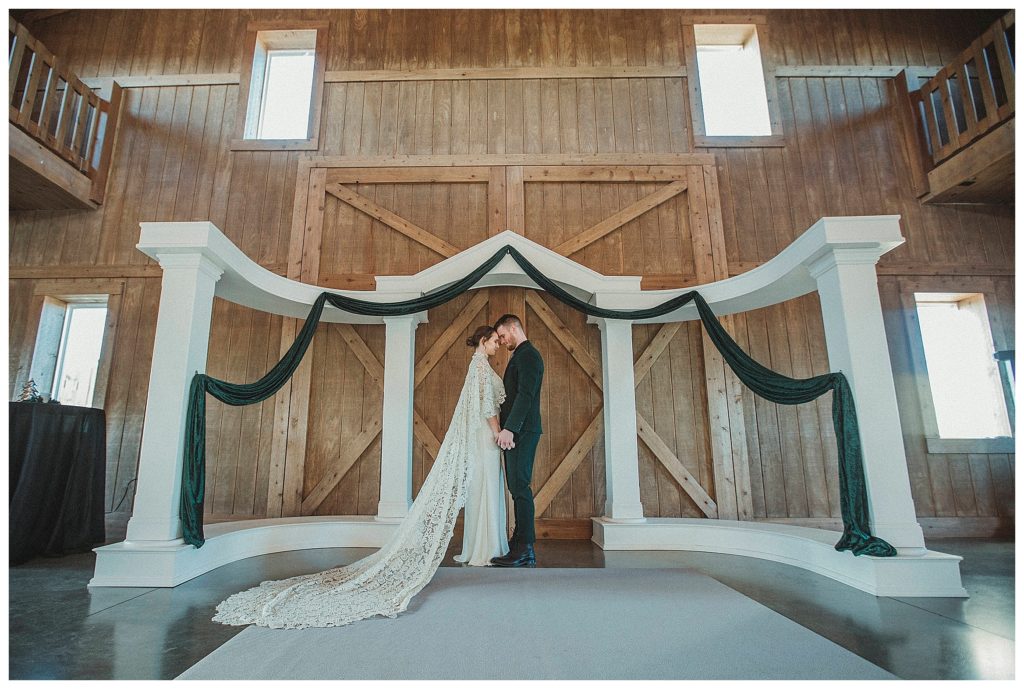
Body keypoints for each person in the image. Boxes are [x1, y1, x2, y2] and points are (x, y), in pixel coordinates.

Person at [211, 325, 510, 629]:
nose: (497, 345)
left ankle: (481, 547)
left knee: (482, 489)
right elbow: (487, 406)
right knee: (485, 487)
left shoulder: (477, 365)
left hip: (480, 436)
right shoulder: (480, 367)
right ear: (483, 341)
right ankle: (484, 549)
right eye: (494, 342)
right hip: (485, 436)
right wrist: (498, 432)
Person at [490, 314, 544, 568]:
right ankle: (519, 542)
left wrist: (510, 429)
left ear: (513, 328)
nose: (501, 341)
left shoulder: (528, 355)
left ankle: (525, 548)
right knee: (516, 486)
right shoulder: (520, 355)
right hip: (518, 431)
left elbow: (525, 395)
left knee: (520, 487)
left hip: (522, 431)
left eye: (502, 335)